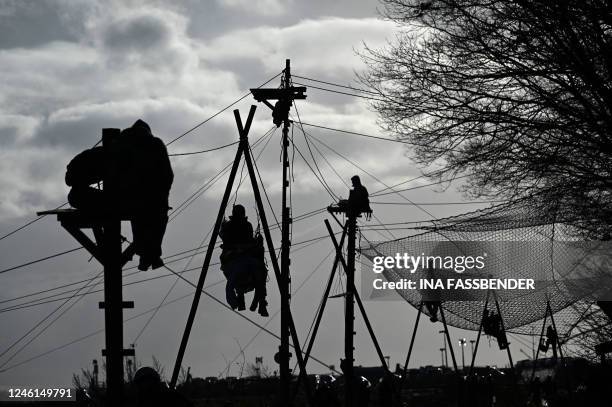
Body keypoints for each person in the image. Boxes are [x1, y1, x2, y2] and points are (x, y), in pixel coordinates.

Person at [119, 119, 173, 271]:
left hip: (132, 198)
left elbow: (117, 172)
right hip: (154, 198)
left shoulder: (123, 142)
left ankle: (146, 256)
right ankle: (151, 256)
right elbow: (168, 174)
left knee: (140, 226)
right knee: (157, 225)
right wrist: (163, 195)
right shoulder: (156, 144)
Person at [219, 205, 268, 316]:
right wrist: (238, 248)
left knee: (261, 271)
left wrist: (255, 243)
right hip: (233, 259)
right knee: (233, 280)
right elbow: (227, 241)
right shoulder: (229, 226)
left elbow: (250, 241)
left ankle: (260, 301)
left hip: (246, 258)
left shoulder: (247, 225)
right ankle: (240, 298)